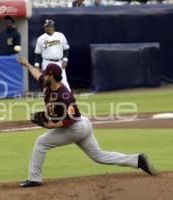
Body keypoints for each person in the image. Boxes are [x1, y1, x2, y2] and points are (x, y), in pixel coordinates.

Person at [17, 57, 155, 188]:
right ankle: (137, 160)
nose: (43, 76)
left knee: (41, 142)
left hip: (75, 128)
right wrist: (27, 64)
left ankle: (34, 178)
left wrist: (50, 125)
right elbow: (37, 74)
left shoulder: (65, 95)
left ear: (52, 77)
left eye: (46, 74)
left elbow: (68, 120)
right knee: (98, 156)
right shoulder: (47, 84)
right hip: (82, 124)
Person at [34, 19, 71, 92]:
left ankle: (69, 98)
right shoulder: (41, 38)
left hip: (59, 62)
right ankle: (49, 99)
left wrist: (65, 60)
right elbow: (37, 53)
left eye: (49, 26)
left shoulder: (60, 35)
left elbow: (66, 49)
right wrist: (37, 66)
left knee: (63, 81)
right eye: (46, 26)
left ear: (53, 27)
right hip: (47, 62)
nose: (47, 28)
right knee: (48, 82)